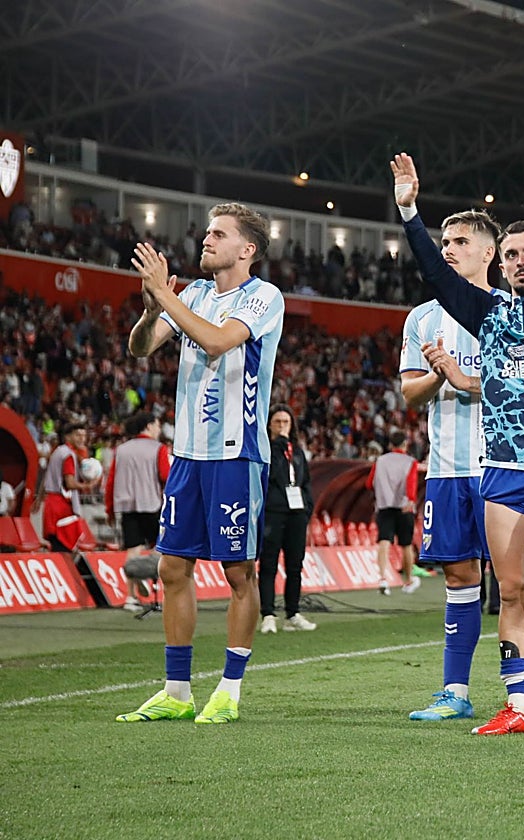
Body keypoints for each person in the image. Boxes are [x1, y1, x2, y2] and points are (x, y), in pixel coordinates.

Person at [392, 137, 524, 735]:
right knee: (511, 590)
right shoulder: (487, 315)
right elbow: (436, 273)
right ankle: (518, 705)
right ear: (502, 263)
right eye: (511, 254)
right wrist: (409, 211)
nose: (519, 261)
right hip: (503, 468)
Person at [117, 202, 283, 725]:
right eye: (207, 232)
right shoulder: (193, 294)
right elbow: (140, 348)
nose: (206, 240)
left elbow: (216, 341)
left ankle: (229, 690)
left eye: (218, 234)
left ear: (247, 249)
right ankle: (176, 691)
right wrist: (151, 310)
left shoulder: (264, 297)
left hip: (237, 453)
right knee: (171, 567)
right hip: (188, 453)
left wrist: (165, 294)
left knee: (238, 572)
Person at [399, 208, 524, 722]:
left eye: (460, 241)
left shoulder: (513, 312)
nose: (448, 249)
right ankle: (455, 693)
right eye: (444, 241)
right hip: (446, 468)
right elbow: (409, 393)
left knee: (517, 580)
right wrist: (438, 375)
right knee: (459, 575)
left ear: (489, 253)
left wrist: (463, 378)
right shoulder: (422, 318)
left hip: (505, 466)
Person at [258, 403, 316, 633]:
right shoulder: (265, 450)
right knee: (269, 564)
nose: (282, 426)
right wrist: (277, 445)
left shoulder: (297, 451)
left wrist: (307, 508)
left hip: (296, 513)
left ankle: (292, 613)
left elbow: (305, 481)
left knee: (294, 565)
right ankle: (268, 614)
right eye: (277, 422)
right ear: (269, 425)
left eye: (286, 422)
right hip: (274, 512)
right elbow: (270, 474)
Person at [104, 412, 171, 613]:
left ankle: (130, 597)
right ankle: (150, 578)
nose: (159, 429)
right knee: (160, 547)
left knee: (132, 549)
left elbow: (111, 481)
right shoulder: (158, 448)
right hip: (151, 504)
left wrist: (109, 509)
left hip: (126, 506)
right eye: (157, 425)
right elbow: (166, 476)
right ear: (149, 426)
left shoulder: (121, 450)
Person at [366, 431, 420, 596]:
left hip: (384, 507)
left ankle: (383, 579)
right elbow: (411, 483)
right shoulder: (410, 461)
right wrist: (411, 499)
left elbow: (369, 483)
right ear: (405, 444)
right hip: (404, 507)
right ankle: (408, 581)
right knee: (406, 545)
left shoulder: (380, 461)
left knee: (384, 541)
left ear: (390, 444)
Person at [34, 423, 100, 551]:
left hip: (50, 504)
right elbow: (70, 483)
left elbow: (46, 478)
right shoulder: (68, 455)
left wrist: (39, 498)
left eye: (84, 435)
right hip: (62, 507)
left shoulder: (57, 452)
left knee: (56, 547)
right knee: (64, 549)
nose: (82, 439)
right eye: (78, 435)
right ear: (67, 437)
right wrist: (88, 485)